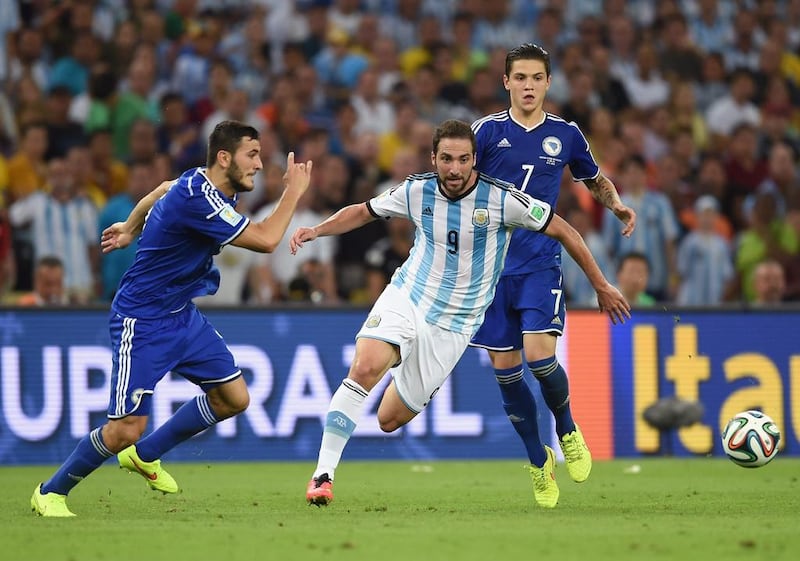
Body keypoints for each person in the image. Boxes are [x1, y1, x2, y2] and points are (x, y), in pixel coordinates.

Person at [292, 119, 630, 508]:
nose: (454, 169)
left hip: (454, 325)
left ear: (475, 161)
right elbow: (364, 211)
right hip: (409, 297)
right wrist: (317, 230)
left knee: (388, 419)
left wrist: (601, 285)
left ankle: (402, 360)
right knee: (365, 367)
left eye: (463, 160)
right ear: (433, 158)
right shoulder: (416, 190)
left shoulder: (502, 199)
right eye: (447, 159)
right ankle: (323, 476)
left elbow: (566, 232)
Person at [30, 120, 313, 517]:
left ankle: (145, 456)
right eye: (252, 155)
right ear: (224, 157)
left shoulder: (199, 182)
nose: (259, 164)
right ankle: (50, 492)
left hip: (181, 315)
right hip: (142, 320)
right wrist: (293, 192)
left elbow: (162, 188)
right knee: (124, 430)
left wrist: (130, 228)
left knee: (234, 397)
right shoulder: (201, 199)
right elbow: (267, 240)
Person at [467, 44, 636, 508]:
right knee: (506, 373)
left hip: (541, 263)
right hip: (491, 272)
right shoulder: (484, 133)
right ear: (506, 82)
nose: (527, 86)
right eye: (519, 77)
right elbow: (457, 185)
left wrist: (615, 203)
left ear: (547, 83)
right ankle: (537, 460)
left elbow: (593, 178)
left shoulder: (565, 134)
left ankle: (566, 428)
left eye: (536, 78)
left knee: (541, 358)